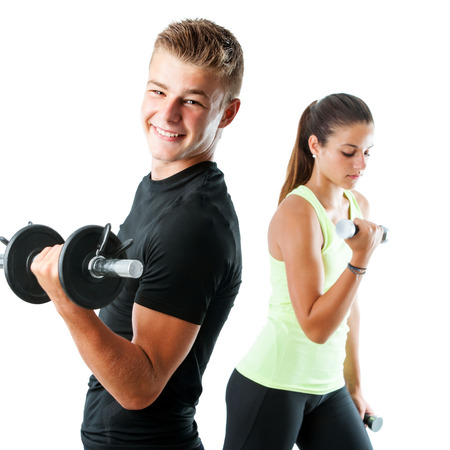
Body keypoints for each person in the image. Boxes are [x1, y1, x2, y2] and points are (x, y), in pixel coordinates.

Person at [31, 18, 244, 450]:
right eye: (158, 91)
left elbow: (140, 387)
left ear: (228, 112)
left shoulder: (194, 225)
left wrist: (67, 303)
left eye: (193, 101)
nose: (167, 114)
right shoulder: (162, 185)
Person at [223, 93, 384, 450]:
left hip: (329, 390)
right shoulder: (298, 213)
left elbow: (348, 307)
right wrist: (360, 261)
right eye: (349, 151)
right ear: (315, 144)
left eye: (367, 152)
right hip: (274, 384)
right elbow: (315, 327)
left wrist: (354, 386)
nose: (361, 163)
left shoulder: (358, 205)